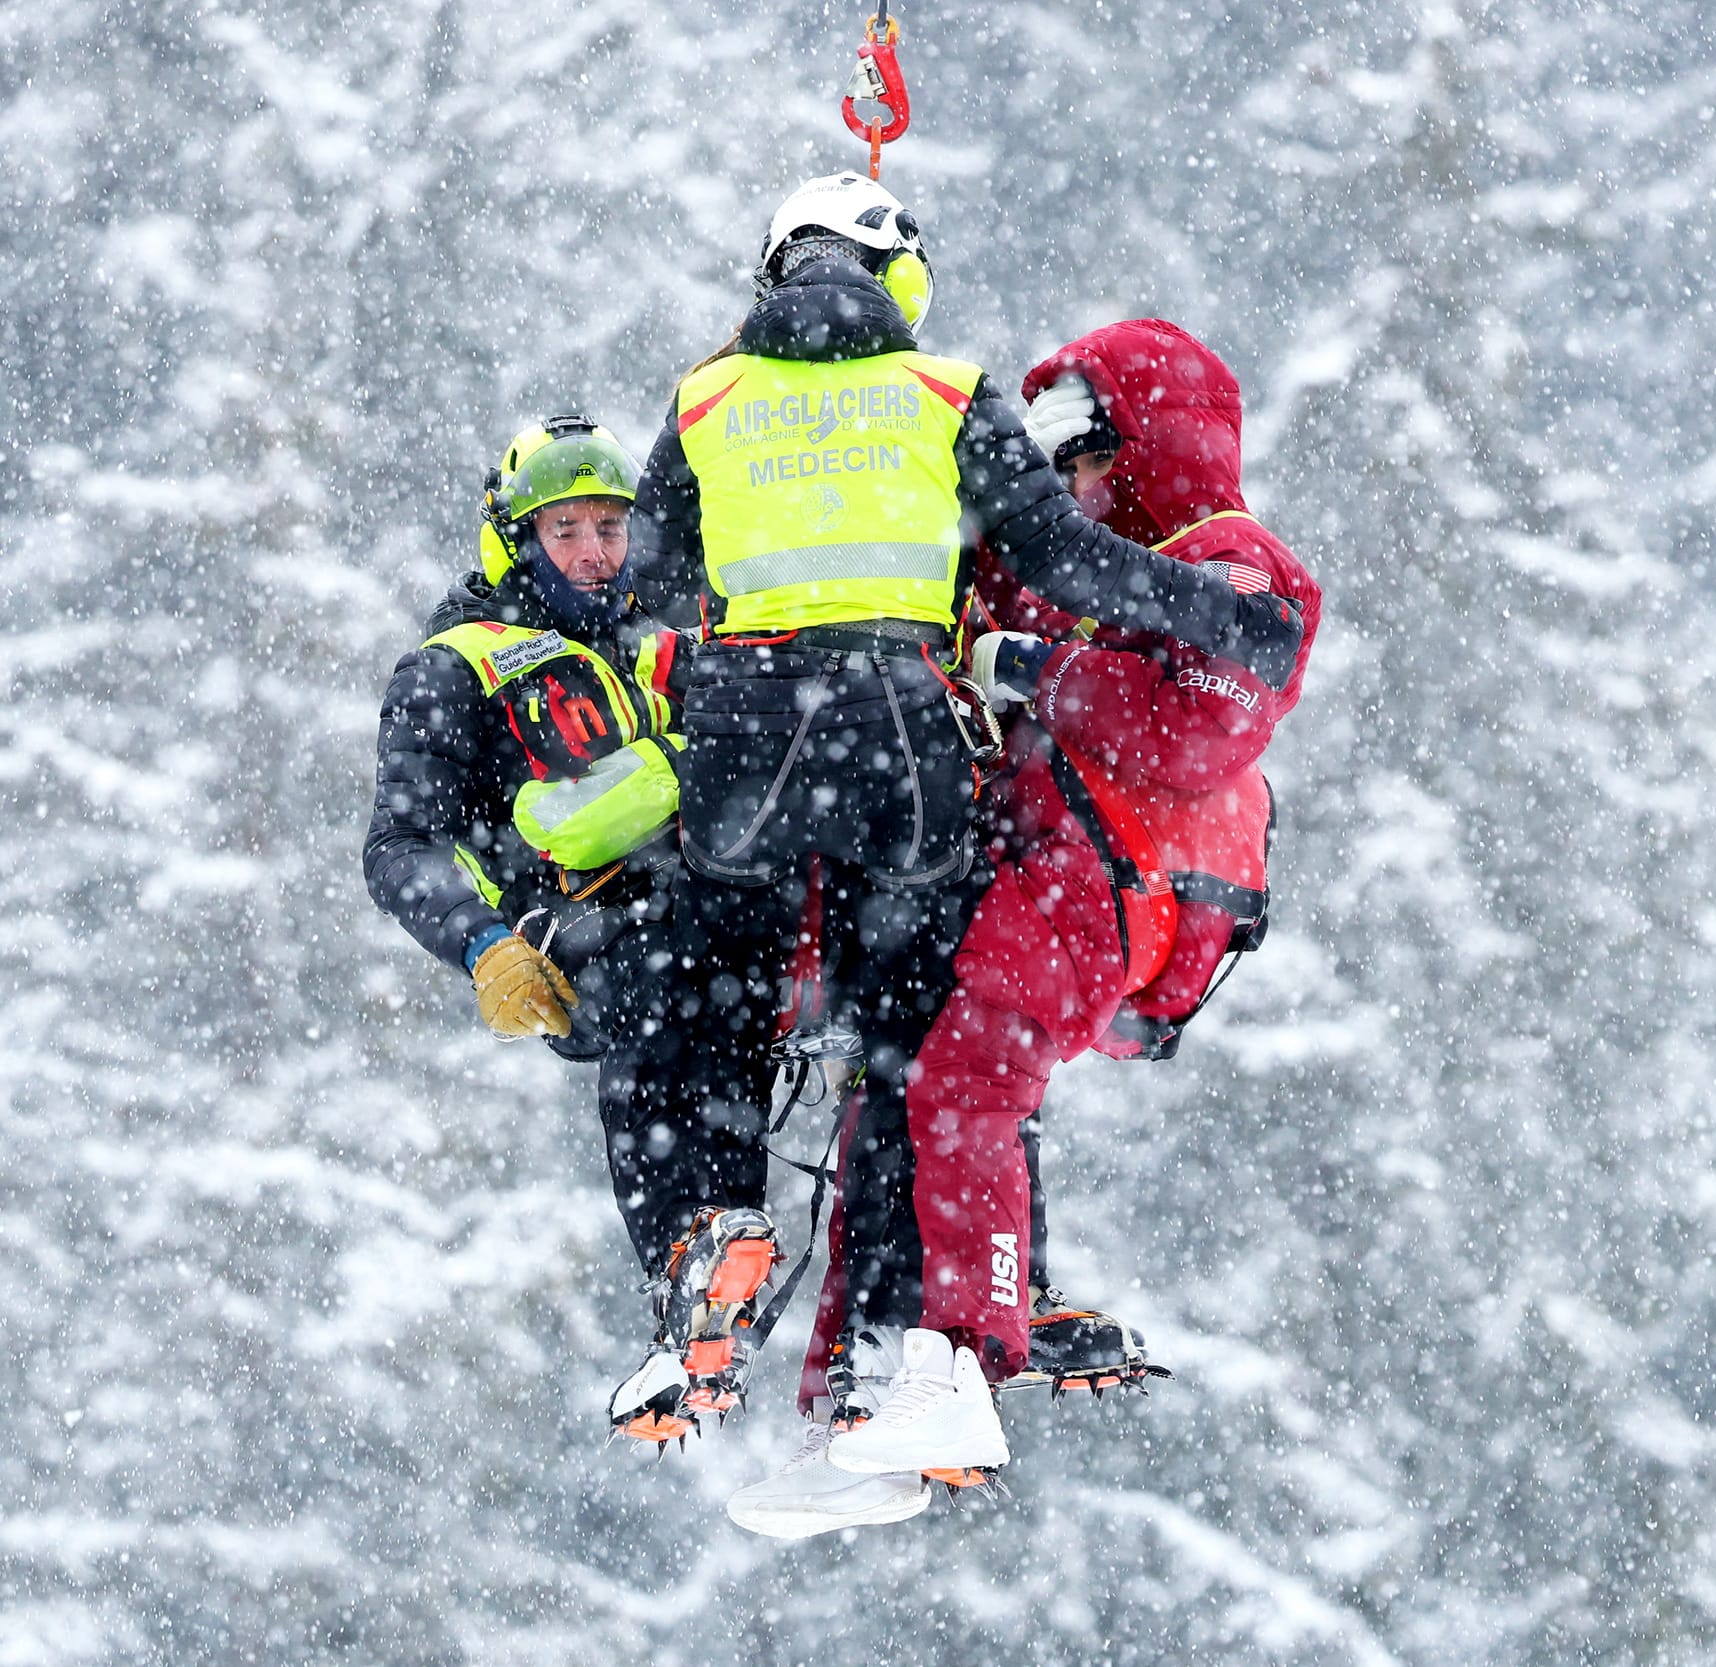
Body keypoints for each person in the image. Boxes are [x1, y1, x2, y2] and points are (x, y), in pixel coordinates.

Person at [624, 170, 1307, 1510]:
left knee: (719, 985)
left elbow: (654, 568)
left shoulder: (708, 396)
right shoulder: (942, 393)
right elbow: (1060, 553)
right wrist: (1177, 613)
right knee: (917, 1049)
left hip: (759, 750)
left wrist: (770, 599)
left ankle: (737, 1249)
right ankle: (910, 1357)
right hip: (906, 751)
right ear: (900, 274)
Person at [362, 416, 783, 1447]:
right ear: (515, 539)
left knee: (746, 1021)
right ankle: (682, 1264)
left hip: (729, 909)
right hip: (591, 920)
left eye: (610, 526)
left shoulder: (668, 629)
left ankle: (726, 1283)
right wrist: (481, 942)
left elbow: (694, 459)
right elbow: (400, 844)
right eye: (568, 530)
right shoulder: (457, 668)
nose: (597, 551)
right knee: (663, 1007)